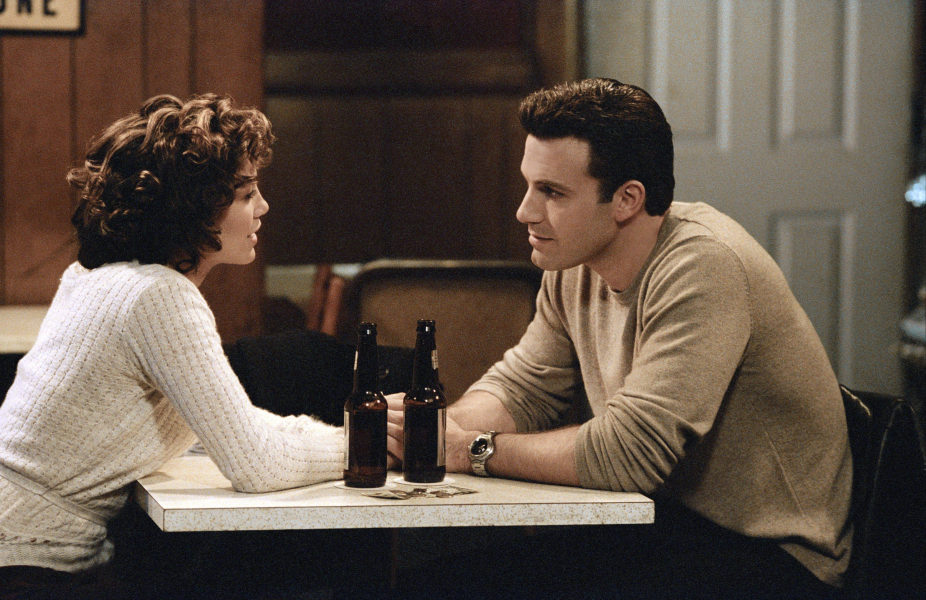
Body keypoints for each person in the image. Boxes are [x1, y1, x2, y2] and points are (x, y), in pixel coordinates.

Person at [386, 78, 852, 599]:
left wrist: (470, 449)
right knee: (425, 584)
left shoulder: (704, 267)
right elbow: (524, 389)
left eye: (552, 192)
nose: (525, 211)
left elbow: (630, 454)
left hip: (772, 558)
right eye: (529, 185)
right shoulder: (574, 261)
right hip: (661, 528)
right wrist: (426, 432)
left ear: (627, 199)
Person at [0, 94, 345, 598]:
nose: (263, 206)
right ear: (195, 206)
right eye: (246, 193)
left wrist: (355, 437)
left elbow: (238, 429)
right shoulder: (158, 295)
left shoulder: (100, 277)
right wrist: (363, 447)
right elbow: (257, 463)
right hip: (26, 572)